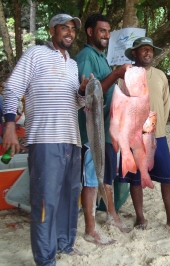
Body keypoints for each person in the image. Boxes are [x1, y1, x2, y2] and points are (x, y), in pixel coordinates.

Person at [2, 14, 92, 266]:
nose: (70, 33)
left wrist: (82, 93)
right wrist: (9, 125)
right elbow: (12, 88)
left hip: (71, 139)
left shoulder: (72, 64)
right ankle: (45, 258)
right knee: (45, 199)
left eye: (73, 29)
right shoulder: (35, 55)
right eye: (64, 28)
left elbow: (75, 103)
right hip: (44, 139)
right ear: (52, 30)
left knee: (69, 195)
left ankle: (64, 244)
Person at [120, 37, 170, 234]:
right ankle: (140, 216)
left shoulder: (160, 75)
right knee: (136, 178)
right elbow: (121, 105)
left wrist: (159, 128)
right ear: (135, 53)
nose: (148, 53)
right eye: (143, 50)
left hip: (158, 135)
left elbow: (166, 103)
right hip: (134, 137)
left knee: (167, 178)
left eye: (150, 50)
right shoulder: (125, 75)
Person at [75, 13, 131, 246]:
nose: (106, 35)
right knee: (91, 179)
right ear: (90, 32)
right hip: (91, 132)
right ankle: (90, 229)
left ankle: (111, 215)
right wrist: (116, 73)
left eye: (108, 31)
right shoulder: (87, 56)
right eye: (102, 31)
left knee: (105, 175)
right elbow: (91, 91)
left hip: (107, 129)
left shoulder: (101, 56)